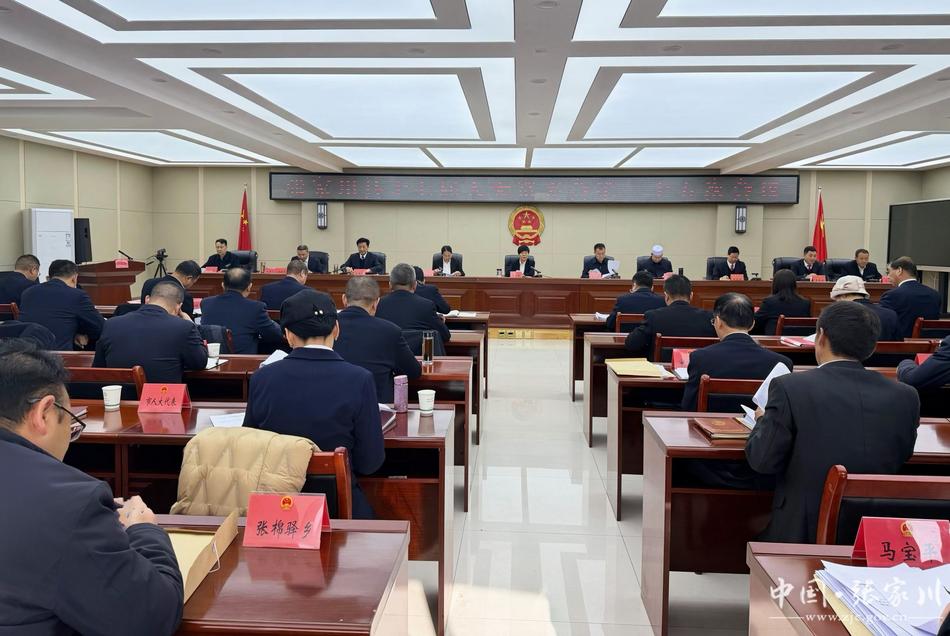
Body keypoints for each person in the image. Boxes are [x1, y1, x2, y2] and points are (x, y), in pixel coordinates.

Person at [0, 340, 183, 634]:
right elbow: (151, 617)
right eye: (71, 425)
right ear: (43, 413)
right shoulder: (69, 502)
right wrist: (144, 529)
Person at [746, 301, 920, 544]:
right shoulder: (905, 395)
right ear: (872, 346)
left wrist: (762, 422)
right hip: (877, 529)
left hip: (802, 530)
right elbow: (904, 453)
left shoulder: (790, 387)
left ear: (821, 337)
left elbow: (762, 459)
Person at [243, 290, 384, 519]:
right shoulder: (359, 379)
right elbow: (370, 462)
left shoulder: (262, 378)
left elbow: (251, 448)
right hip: (337, 506)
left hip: (275, 506)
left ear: (288, 335)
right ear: (336, 329)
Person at [681, 293, 793, 411]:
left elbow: (689, 406)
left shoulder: (700, 358)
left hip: (713, 422)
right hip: (759, 423)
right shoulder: (781, 363)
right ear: (752, 324)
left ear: (718, 321)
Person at [94, 281, 208, 383]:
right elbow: (199, 363)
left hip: (120, 397)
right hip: (162, 397)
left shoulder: (111, 324)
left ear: (147, 299)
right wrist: (192, 325)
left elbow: (99, 366)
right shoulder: (184, 327)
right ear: (179, 307)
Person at [334, 277, 422, 403]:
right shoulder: (390, 331)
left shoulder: (327, 327)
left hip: (333, 405)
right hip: (377, 407)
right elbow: (414, 371)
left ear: (344, 299)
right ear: (376, 303)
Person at [19, 259, 105, 351]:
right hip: (58, 355)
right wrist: (82, 333)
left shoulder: (28, 293)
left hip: (25, 352)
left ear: (49, 277)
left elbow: (52, 320)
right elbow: (99, 327)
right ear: (74, 278)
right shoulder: (76, 295)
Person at [624, 275, 715, 360]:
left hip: (662, 369)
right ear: (691, 296)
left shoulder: (654, 316)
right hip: (698, 370)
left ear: (666, 296)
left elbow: (631, 343)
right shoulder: (708, 317)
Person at [200, 268, 282, 354]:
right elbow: (275, 334)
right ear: (249, 287)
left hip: (211, 358)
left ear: (223, 285)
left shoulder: (206, 303)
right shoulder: (256, 307)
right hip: (242, 361)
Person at [376, 264, 451, 345]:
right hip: (418, 353)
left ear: (390, 285)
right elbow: (445, 336)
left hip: (387, 353)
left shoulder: (378, 305)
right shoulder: (427, 306)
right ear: (415, 285)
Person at [880, 256, 942, 338]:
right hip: (929, 344)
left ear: (899, 270)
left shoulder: (892, 296)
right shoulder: (935, 295)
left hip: (901, 344)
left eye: (889, 272)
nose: (887, 276)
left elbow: (882, 323)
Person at [829, 276, 900, 341]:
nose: (836, 303)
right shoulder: (891, 314)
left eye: (836, 299)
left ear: (843, 296)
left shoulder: (839, 316)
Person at [752, 269, 812, 335]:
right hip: (797, 340)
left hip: (774, 340)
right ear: (794, 284)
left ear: (775, 284)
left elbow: (755, 323)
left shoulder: (769, 302)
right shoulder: (805, 303)